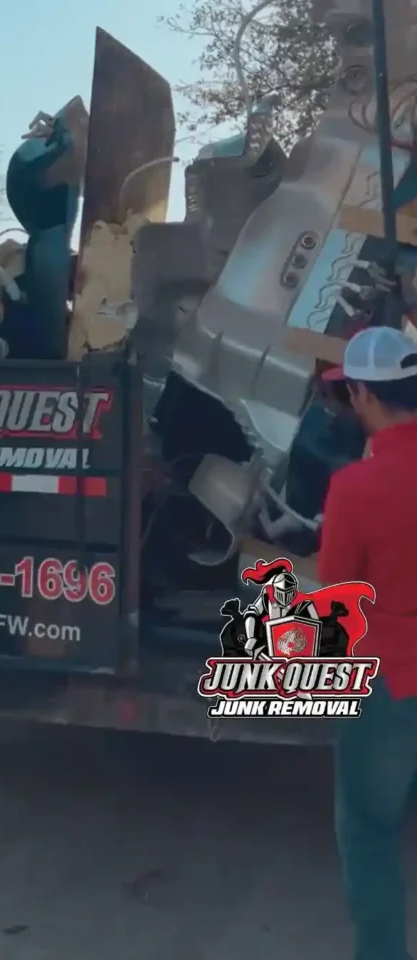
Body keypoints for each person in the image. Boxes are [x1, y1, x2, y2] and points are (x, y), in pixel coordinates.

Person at [319, 323, 417, 960]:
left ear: (363, 397)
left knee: (372, 834)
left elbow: (337, 597)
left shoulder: (355, 488)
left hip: (388, 689)